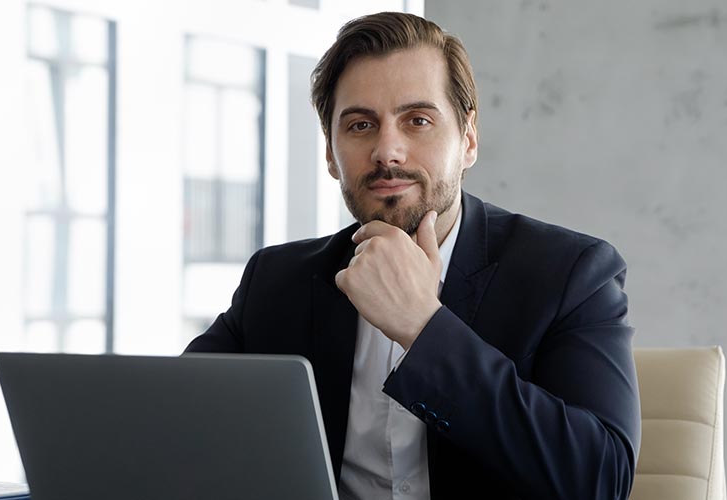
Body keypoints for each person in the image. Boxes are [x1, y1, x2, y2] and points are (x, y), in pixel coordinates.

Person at [185, 11, 640, 500]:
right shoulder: (276, 281)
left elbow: (601, 479)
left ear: (467, 140)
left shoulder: (571, 273)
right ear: (331, 154)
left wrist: (424, 328)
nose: (388, 151)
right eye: (360, 125)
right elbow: (172, 419)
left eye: (417, 120)